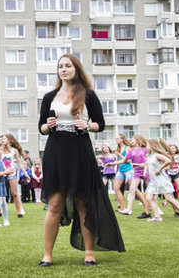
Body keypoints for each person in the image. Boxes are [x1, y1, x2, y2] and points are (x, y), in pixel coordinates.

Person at [38, 54, 125, 267]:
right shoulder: (49, 97)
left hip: (80, 151)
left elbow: (101, 124)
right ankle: (47, 255)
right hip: (56, 152)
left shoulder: (88, 95)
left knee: (83, 203)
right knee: (55, 204)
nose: (63, 69)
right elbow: (41, 128)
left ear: (76, 69)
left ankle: (89, 253)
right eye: (60, 66)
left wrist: (88, 125)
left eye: (68, 65)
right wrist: (48, 126)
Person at [145, 139, 179, 222]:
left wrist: (160, 169)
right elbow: (147, 165)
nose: (146, 147)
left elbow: (168, 161)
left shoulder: (157, 155)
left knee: (169, 198)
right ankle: (157, 217)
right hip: (154, 181)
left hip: (161, 180)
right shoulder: (149, 156)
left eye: (147, 145)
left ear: (152, 146)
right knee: (148, 197)